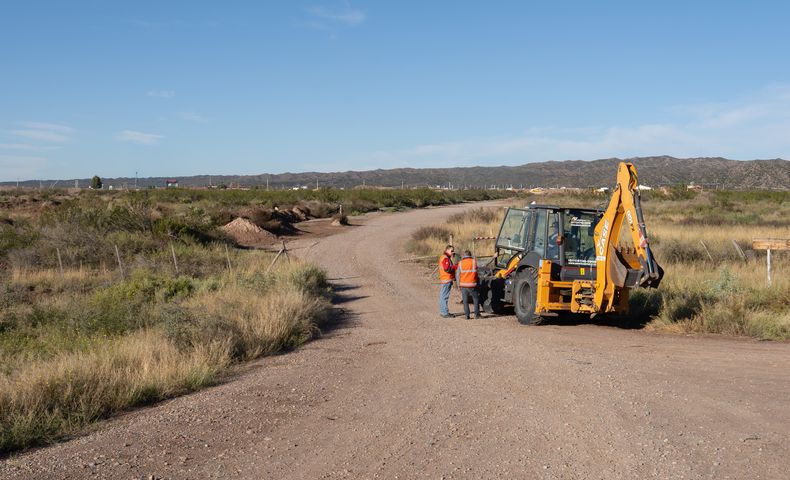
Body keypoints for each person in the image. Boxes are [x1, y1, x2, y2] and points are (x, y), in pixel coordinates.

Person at [457, 250, 481, 319]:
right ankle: (477, 315)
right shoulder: (474, 262)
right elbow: (484, 264)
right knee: (476, 299)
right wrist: (493, 257)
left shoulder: (460, 263)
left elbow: (457, 275)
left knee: (465, 301)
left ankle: (467, 315)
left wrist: (458, 285)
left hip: (463, 285)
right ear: (470, 255)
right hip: (472, 285)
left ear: (464, 255)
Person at [438, 245, 457, 318]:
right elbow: (447, 269)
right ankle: (444, 313)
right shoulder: (445, 258)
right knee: (444, 297)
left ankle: (443, 311)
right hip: (446, 280)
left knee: (443, 296)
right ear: (447, 250)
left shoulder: (445, 257)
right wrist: (455, 266)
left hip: (445, 279)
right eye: (451, 251)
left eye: (453, 251)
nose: (452, 252)